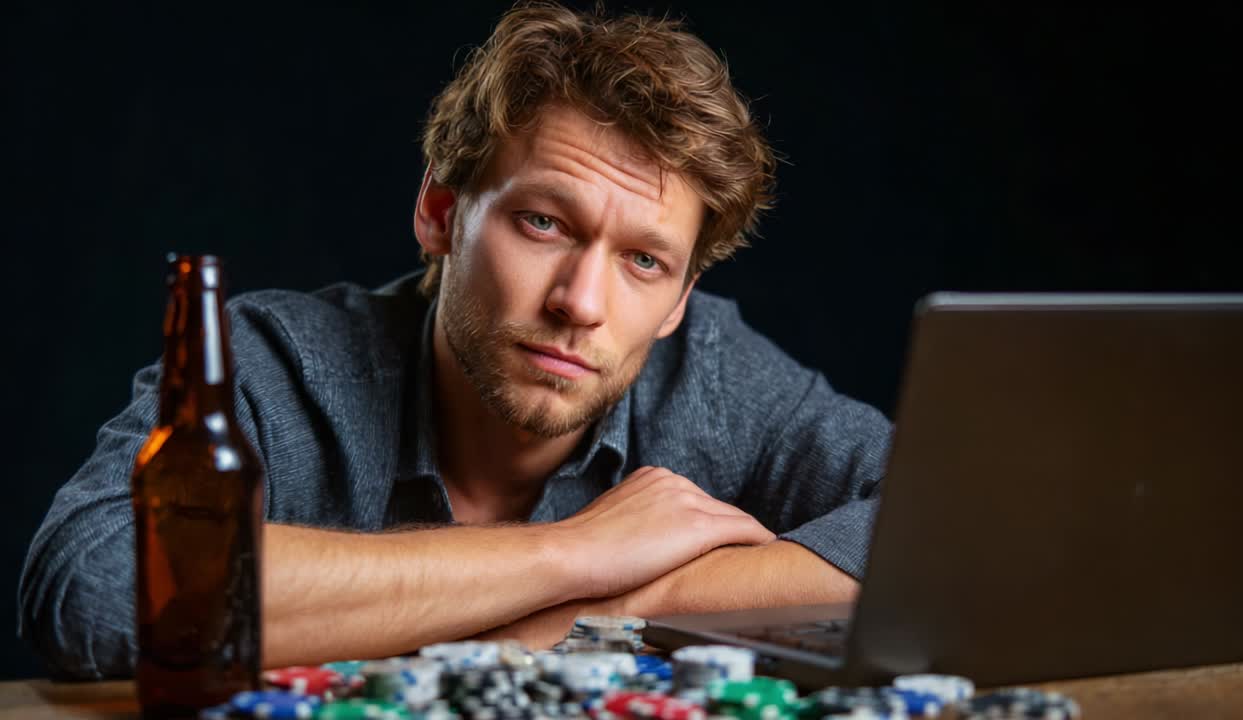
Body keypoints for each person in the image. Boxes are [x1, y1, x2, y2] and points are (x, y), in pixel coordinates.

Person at [19, 1, 892, 680]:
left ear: (679, 301)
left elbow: (950, 531)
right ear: (440, 212)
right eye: (544, 222)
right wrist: (570, 553)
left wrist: (618, 602)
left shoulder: (715, 373)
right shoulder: (273, 360)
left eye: (644, 262)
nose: (582, 303)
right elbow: (96, 590)